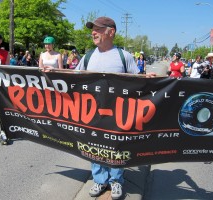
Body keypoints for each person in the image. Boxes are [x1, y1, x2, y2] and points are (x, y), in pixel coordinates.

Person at [75, 16, 140, 200]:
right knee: (94, 146)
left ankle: (116, 181)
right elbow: (72, 78)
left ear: (111, 32)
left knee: (116, 147)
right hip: (93, 114)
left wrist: (150, 79)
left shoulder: (123, 56)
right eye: (92, 29)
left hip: (118, 115)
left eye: (98, 29)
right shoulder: (88, 56)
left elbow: (139, 83)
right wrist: (51, 73)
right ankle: (100, 180)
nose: (93, 32)